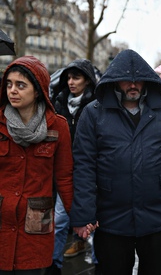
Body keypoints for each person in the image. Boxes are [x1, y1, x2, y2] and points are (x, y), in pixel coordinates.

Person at [69, 49, 161, 275]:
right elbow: (84, 165)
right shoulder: (93, 114)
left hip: (157, 216)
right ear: (115, 81)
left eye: (138, 80)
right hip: (111, 218)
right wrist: (84, 213)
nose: (132, 85)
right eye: (126, 80)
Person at [0, 56, 73, 273]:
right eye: (9, 84)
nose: (13, 90)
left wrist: (80, 218)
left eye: (21, 85)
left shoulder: (58, 126)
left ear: (38, 90)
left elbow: (65, 177)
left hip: (35, 229)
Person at [45, 59, 98, 275]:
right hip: (65, 172)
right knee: (59, 222)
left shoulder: (96, 105)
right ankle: (53, 264)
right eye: (68, 77)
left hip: (89, 172)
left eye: (76, 77)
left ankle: (98, 262)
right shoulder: (59, 102)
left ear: (87, 80)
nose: (70, 82)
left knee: (93, 225)